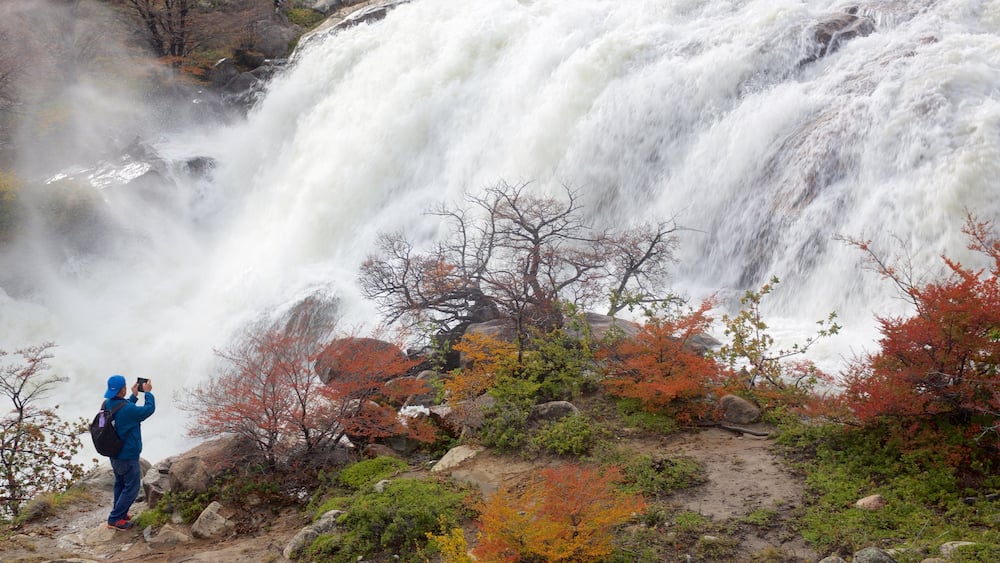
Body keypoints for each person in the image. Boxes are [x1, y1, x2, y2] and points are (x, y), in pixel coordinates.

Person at [102, 374, 156, 530]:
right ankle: (115, 519)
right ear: (123, 389)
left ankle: (120, 512)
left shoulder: (107, 403)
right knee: (131, 489)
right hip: (128, 455)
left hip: (114, 453)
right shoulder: (128, 410)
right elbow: (148, 410)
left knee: (120, 483)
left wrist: (133, 396)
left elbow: (122, 411)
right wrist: (148, 393)